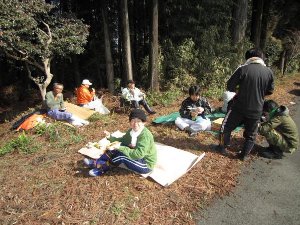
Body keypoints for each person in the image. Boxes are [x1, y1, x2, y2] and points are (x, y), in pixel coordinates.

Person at [217, 48, 274, 160]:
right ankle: (243, 155)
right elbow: (270, 91)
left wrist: (239, 89)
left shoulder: (243, 69)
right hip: (257, 109)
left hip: (239, 107)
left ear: (248, 58)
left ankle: (222, 146)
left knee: (226, 127)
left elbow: (230, 86)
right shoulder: (269, 72)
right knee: (251, 135)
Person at [83, 109, 157, 176]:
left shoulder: (145, 136)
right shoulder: (131, 131)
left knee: (121, 156)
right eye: (133, 120)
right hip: (137, 154)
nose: (135, 123)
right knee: (114, 147)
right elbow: (123, 140)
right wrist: (110, 137)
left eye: (139, 121)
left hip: (145, 163)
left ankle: (102, 169)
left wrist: (120, 147)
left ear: (144, 122)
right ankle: (97, 163)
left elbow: (139, 154)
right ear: (130, 122)